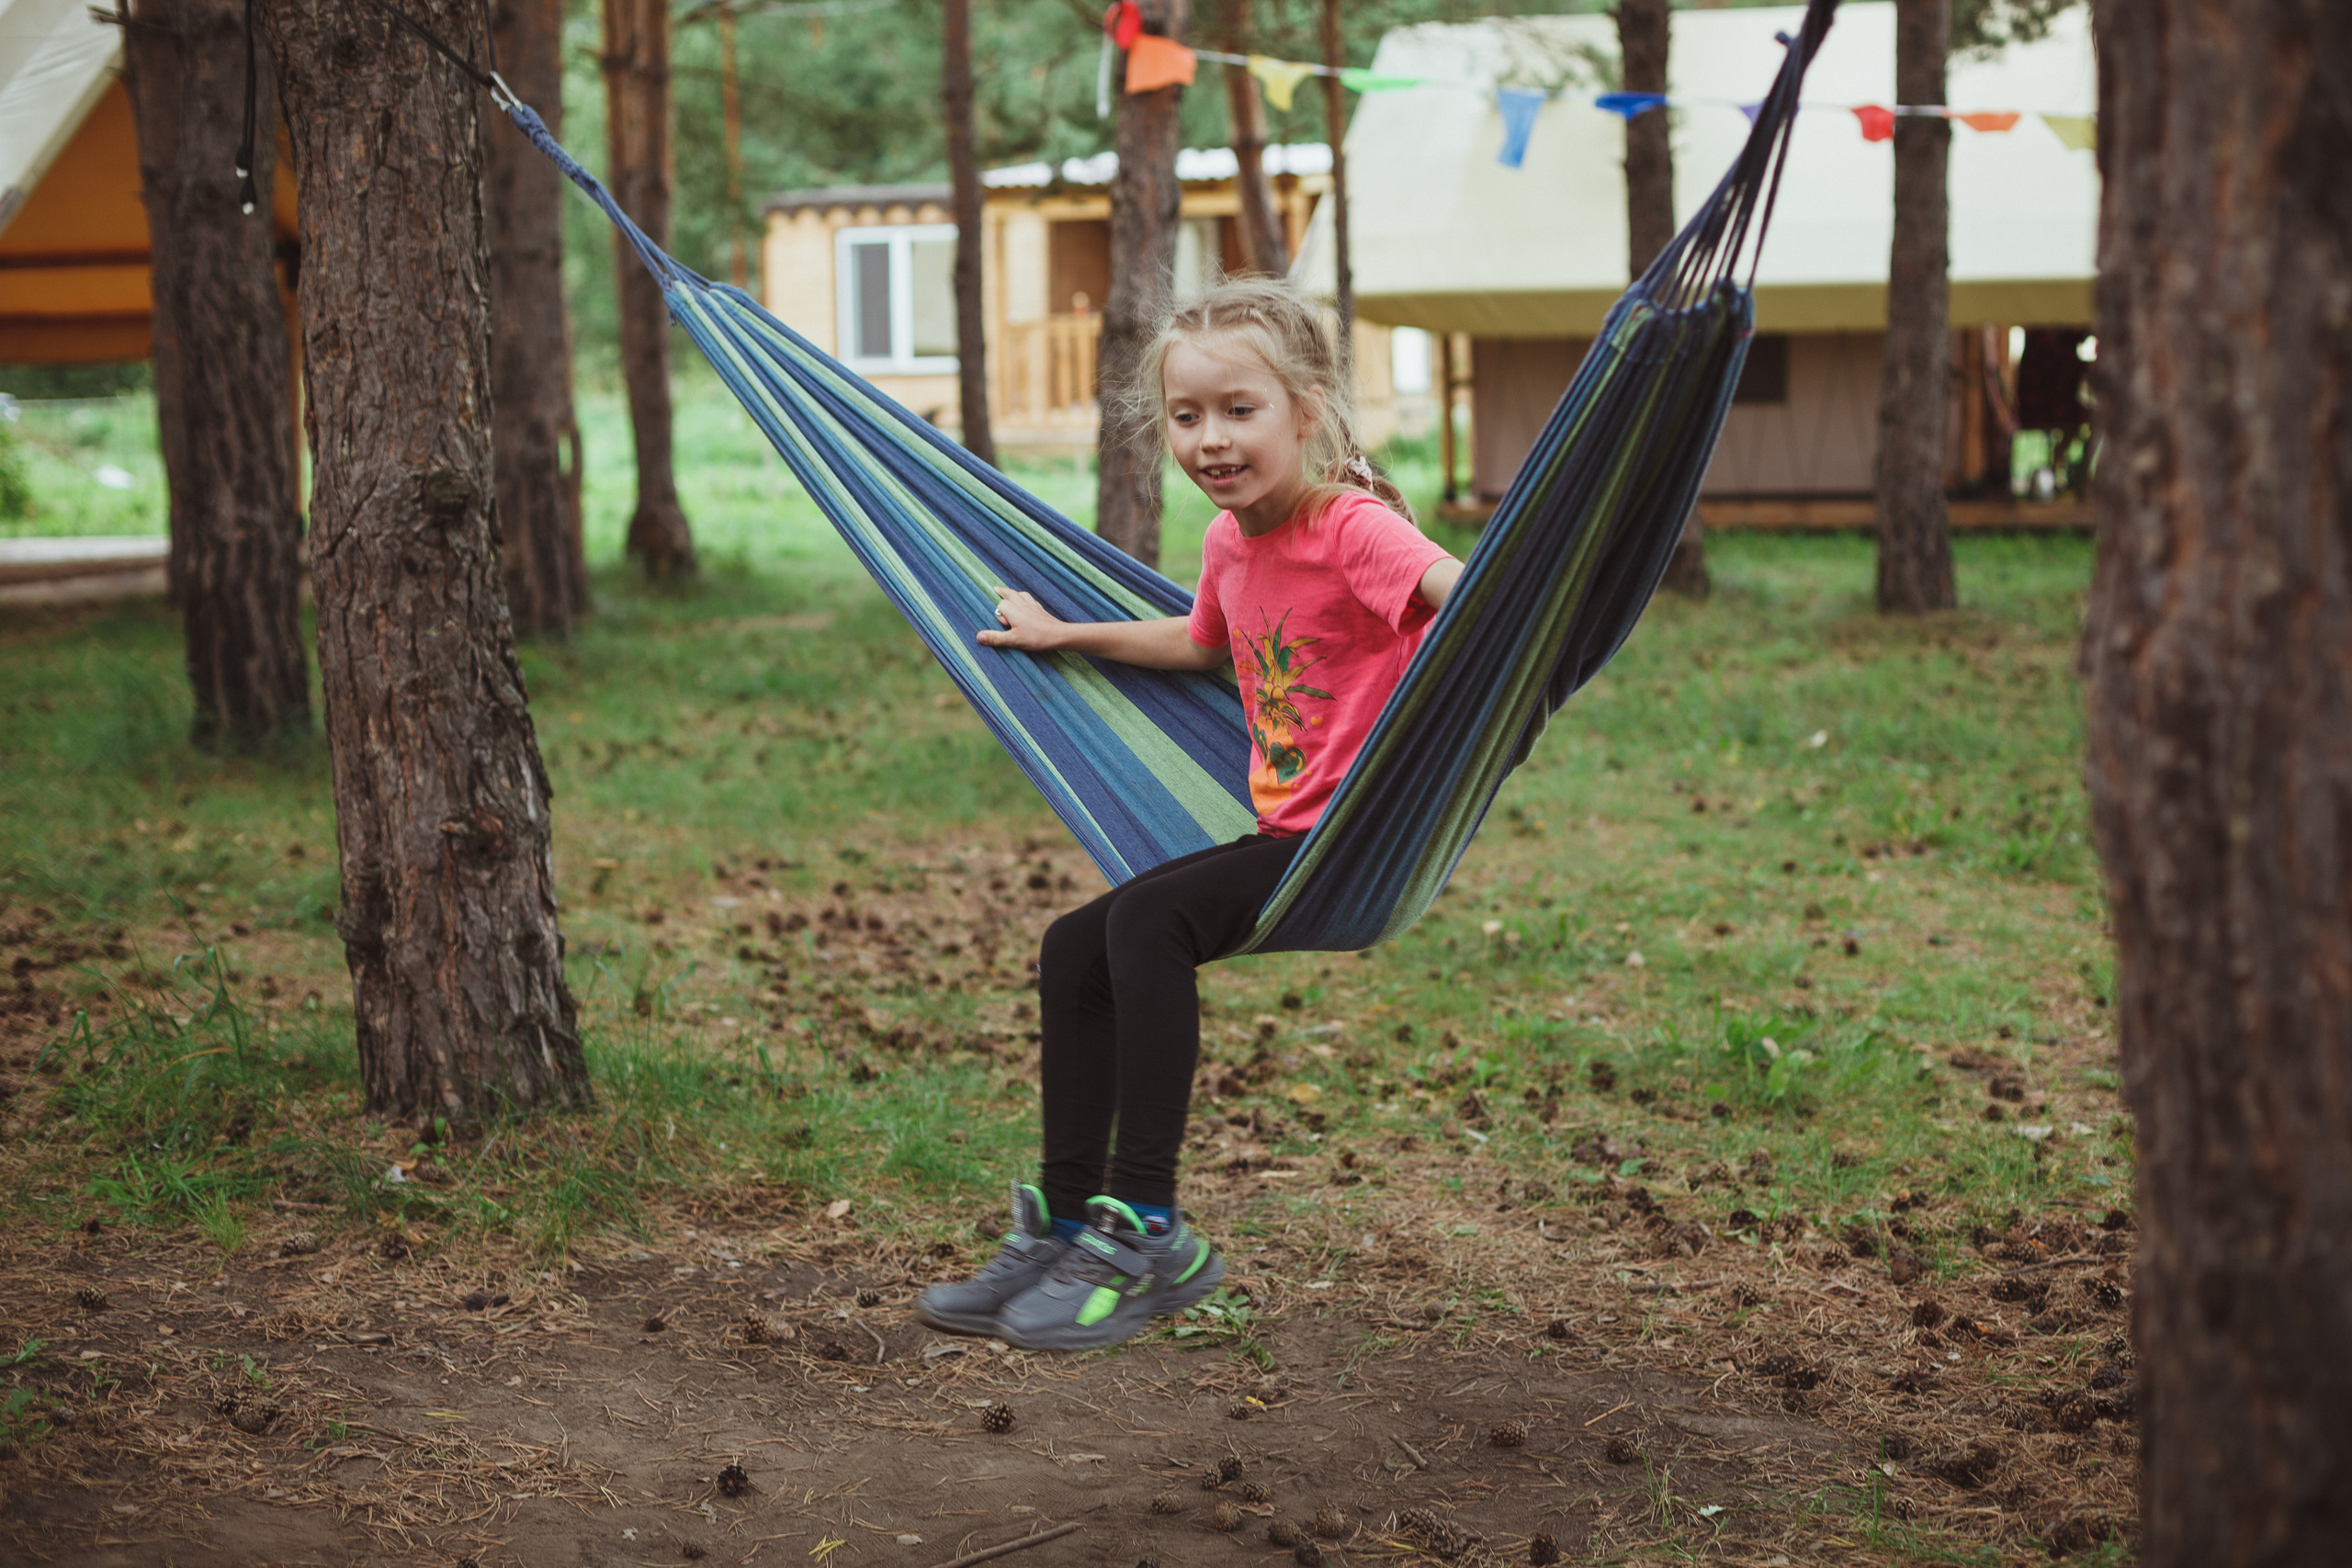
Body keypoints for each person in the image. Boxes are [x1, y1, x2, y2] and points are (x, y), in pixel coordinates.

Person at [916, 279, 1463, 1351]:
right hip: (1281, 840)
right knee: (1075, 944)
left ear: (1307, 410)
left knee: (1143, 924)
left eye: (1238, 411)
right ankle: (1066, 1223)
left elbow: (1465, 594)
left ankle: (1147, 1229)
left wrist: (1510, 635)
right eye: (1186, 416)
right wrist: (1066, 634)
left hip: (1354, 839)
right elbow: (1204, 644)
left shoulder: (1350, 527)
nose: (1210, 440)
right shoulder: (1230, 543)